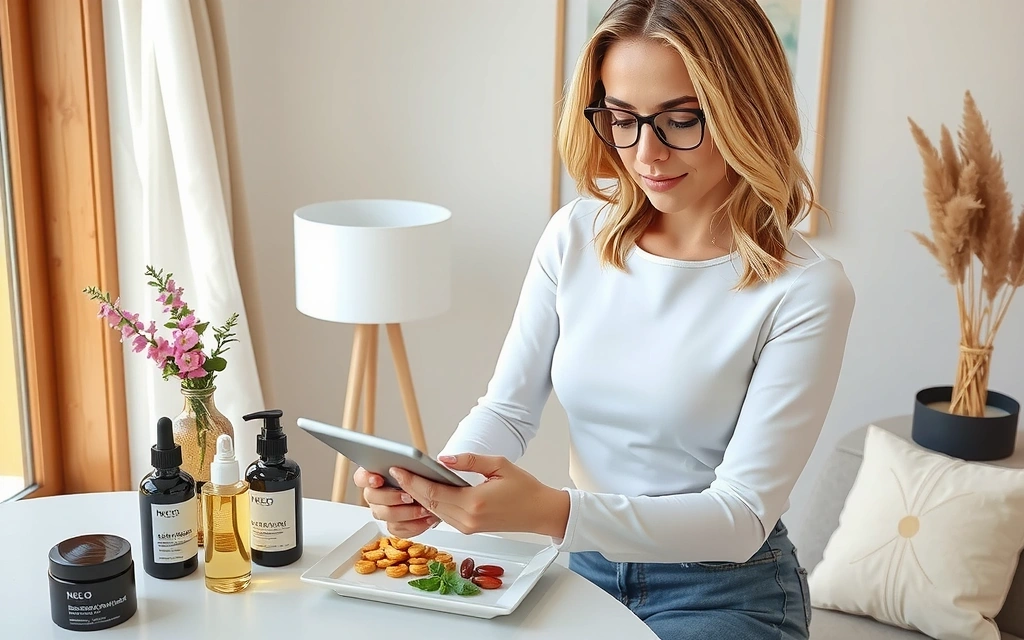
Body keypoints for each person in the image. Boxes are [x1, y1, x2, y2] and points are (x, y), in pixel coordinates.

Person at [354, 0, 855, 637]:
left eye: (681, 120)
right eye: (621, 118)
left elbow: (741, 517)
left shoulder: (806, 290)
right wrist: (438, 486)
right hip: (583, 572)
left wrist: (552, 512)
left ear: (747, 112)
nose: (646, 153)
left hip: (724, 591)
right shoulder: (574, 235)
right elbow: (507, 410)